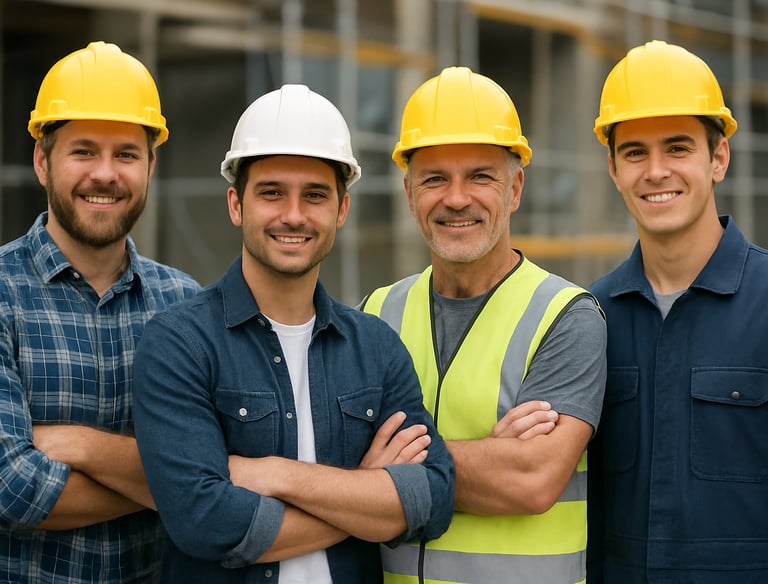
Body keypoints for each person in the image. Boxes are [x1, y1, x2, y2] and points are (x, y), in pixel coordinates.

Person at [132, 84, 454, 583]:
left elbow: (432, 499)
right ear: (236, 204)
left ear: (341, 210)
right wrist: (363, 492)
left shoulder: (375, 346)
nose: (294, 215)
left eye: (315, 195)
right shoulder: (180, 344)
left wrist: (279, 475)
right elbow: (204, 521)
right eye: (272, 192)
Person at [361, 66, 607, 583]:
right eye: (434, 178)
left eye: (480, 176)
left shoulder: (565, 316)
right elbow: (333, 462)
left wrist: (387, 469)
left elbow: (532, 480)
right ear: (409, 192)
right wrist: (491, 455)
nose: (456, 198)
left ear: (514, 189)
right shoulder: (375, 313)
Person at [0, 41, 200, 583]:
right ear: (42, 161)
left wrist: (80, 445)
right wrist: (183, 488)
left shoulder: (185, 303)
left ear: (151, 166)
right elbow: (12, 487)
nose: (105, 174)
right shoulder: (3, 294)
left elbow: (222, 468)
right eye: (84, 151)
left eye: (126, 154)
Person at [587, 39, 768, 583]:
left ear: (719, 158)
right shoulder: (589, 316)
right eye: (635, 152)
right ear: (614, 169)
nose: (656, 171)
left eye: (678, 148)